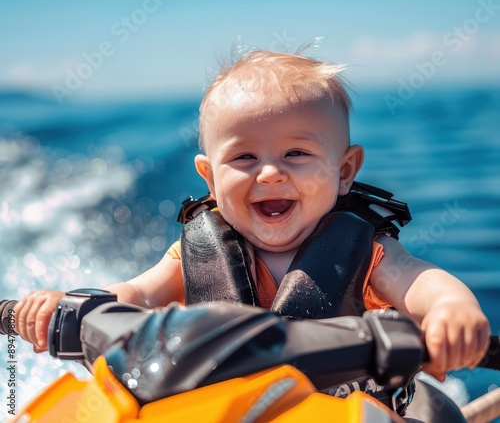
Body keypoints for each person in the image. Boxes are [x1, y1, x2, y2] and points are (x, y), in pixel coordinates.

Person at [14, 49, 490, 385]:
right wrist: (73, 305)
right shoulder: (191, 256)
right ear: (209, 178)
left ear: (344, 171)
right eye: (243, 158)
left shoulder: (367, 256)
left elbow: (421, 280)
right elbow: (136, 294)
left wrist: (452, 311)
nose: (269, 173)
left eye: (296, 153)